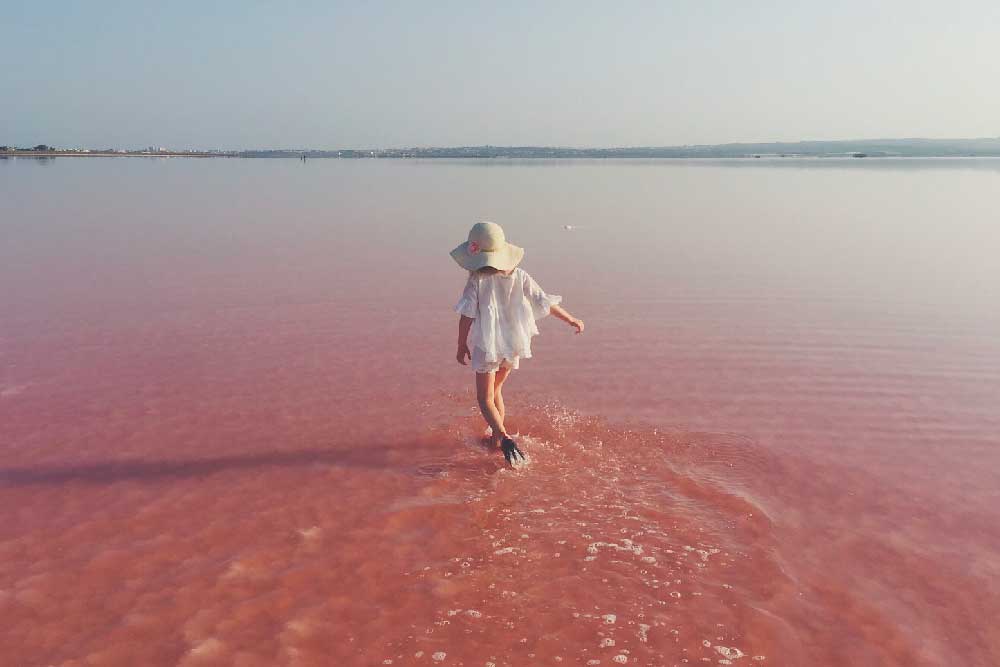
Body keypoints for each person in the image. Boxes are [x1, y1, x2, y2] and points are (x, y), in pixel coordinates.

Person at [451, 221, 584, 465]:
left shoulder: (477, 280)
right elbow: (544, 301)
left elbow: (467, 315)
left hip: (488, 345)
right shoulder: (519, 275)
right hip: (513, 343)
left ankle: (503, 437)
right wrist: (571, 319)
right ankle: (494, 441)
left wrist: (461, 345)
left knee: (484, 399)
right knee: (497, 391)